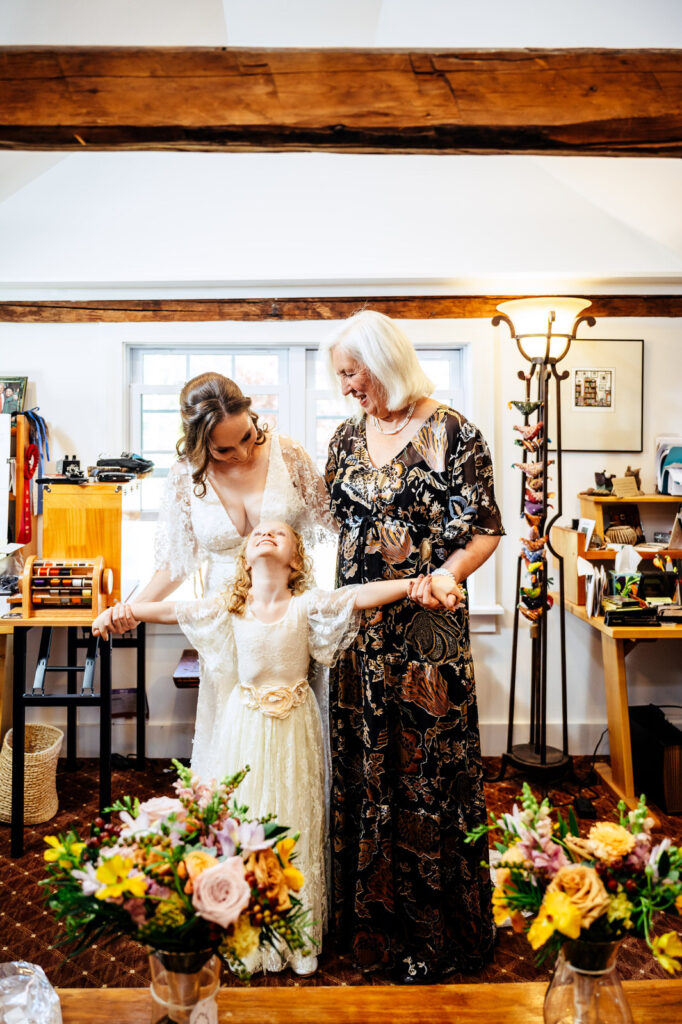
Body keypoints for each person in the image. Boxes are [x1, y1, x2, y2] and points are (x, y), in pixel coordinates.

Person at [92, 520, 462, 976]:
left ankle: (292, 934)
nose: (267, 534)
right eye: (258, 533)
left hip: (295, 731)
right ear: (245, 557)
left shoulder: (306, 604)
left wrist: (417, 584)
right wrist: (124, 611)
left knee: (293, 819)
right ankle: (245, 931)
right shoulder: (230, 607)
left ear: (296, 560)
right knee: (245, 820)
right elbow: (176, 610)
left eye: (280, 533)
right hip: (244, 728)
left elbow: (360, 594)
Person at [323, 310, 504, 983]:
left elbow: (485, 530)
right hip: (354, 637)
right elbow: (323, 524)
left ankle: (436, 936)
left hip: (425, 638)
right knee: (363, 767)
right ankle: (366, 929)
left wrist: (447, 576)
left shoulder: (453, 432)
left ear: (382, 359)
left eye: (350, 373)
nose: (345, 387)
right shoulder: (345, 438)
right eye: (339, 376)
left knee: (425, 776)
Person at [101, 372, 335, 774]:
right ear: (198, 442)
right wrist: (130, 609)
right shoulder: (184, 476)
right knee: (233, 731)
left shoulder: (289, 455)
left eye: (247, 436)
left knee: (291, 727)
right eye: (225, 449)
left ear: (251, 414)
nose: (242, 453)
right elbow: (176, 562)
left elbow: (337, 525)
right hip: (225, 623)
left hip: (288, 617)